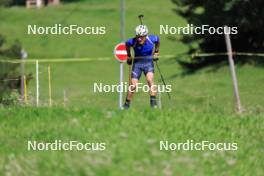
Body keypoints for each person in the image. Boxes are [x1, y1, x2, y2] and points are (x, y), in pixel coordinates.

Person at [123, 25, 160, 109]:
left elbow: (158, 40)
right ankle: (126, 105)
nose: (139, 38)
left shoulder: (151, 39)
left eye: (141, 37)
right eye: (137, 36)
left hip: (148, 63)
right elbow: (127, 44)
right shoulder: (132, 41)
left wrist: (156, 52)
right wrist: (128, 55)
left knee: (150, 80)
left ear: (145, 35)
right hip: (137, 65)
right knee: (133, 85)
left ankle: (153, 104)